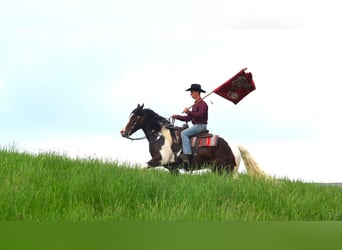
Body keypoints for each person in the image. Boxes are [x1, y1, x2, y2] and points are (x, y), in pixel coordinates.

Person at [172, 83, 208, 164]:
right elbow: (189, 118)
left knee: (184, 133)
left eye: (191, 92)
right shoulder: (195, 104)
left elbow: (200, 115)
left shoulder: (203, 104)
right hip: (196, 125)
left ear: (197, 92)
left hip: (201, 125)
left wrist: (189, 112)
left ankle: (187, 154)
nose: (190, 94)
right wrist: (177, 116)